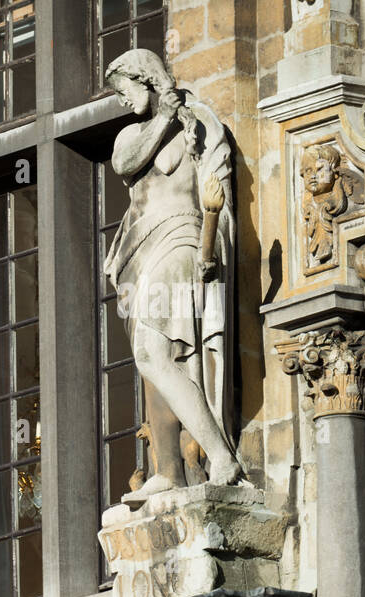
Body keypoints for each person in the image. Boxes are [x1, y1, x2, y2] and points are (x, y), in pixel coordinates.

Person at [103, 48, 243, 500]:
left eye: (124, 88)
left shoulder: (202, 124)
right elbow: (126, 164)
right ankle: (168, 469)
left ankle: (219, 453)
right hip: (137, 256)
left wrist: (210, 249)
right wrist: (164, 116)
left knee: (152, 351)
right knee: (157, 360)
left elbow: (214, 199)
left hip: (182, 237)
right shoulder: (131, 135)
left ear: (144, 78)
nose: (122, 100)